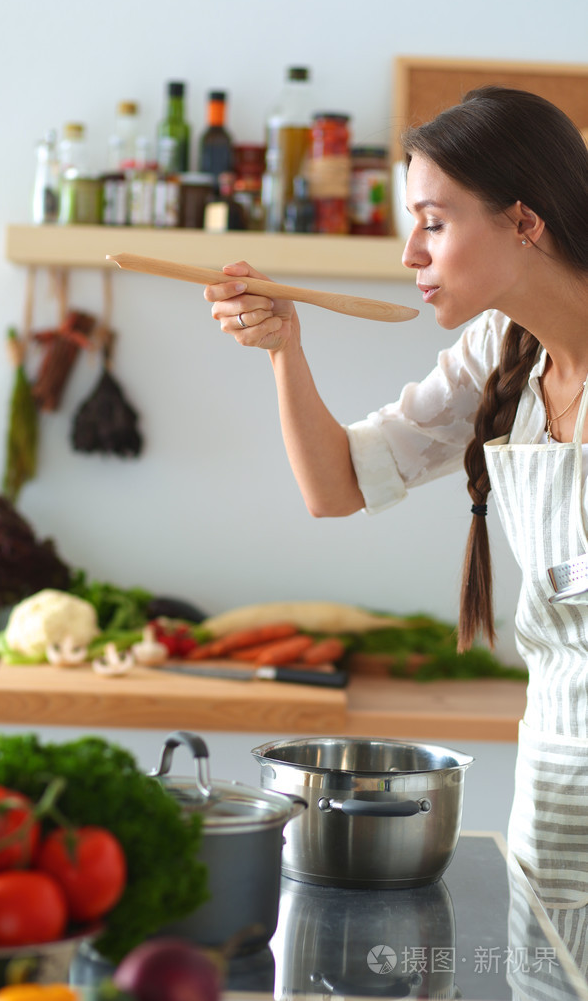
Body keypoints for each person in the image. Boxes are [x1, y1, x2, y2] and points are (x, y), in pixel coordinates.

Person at [204, 85, 588, 946]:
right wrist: (284, 349)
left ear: (525, 222)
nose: (411, 251)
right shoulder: (501, 352)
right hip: (557, 774)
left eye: (435, 222)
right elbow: (335, 486)